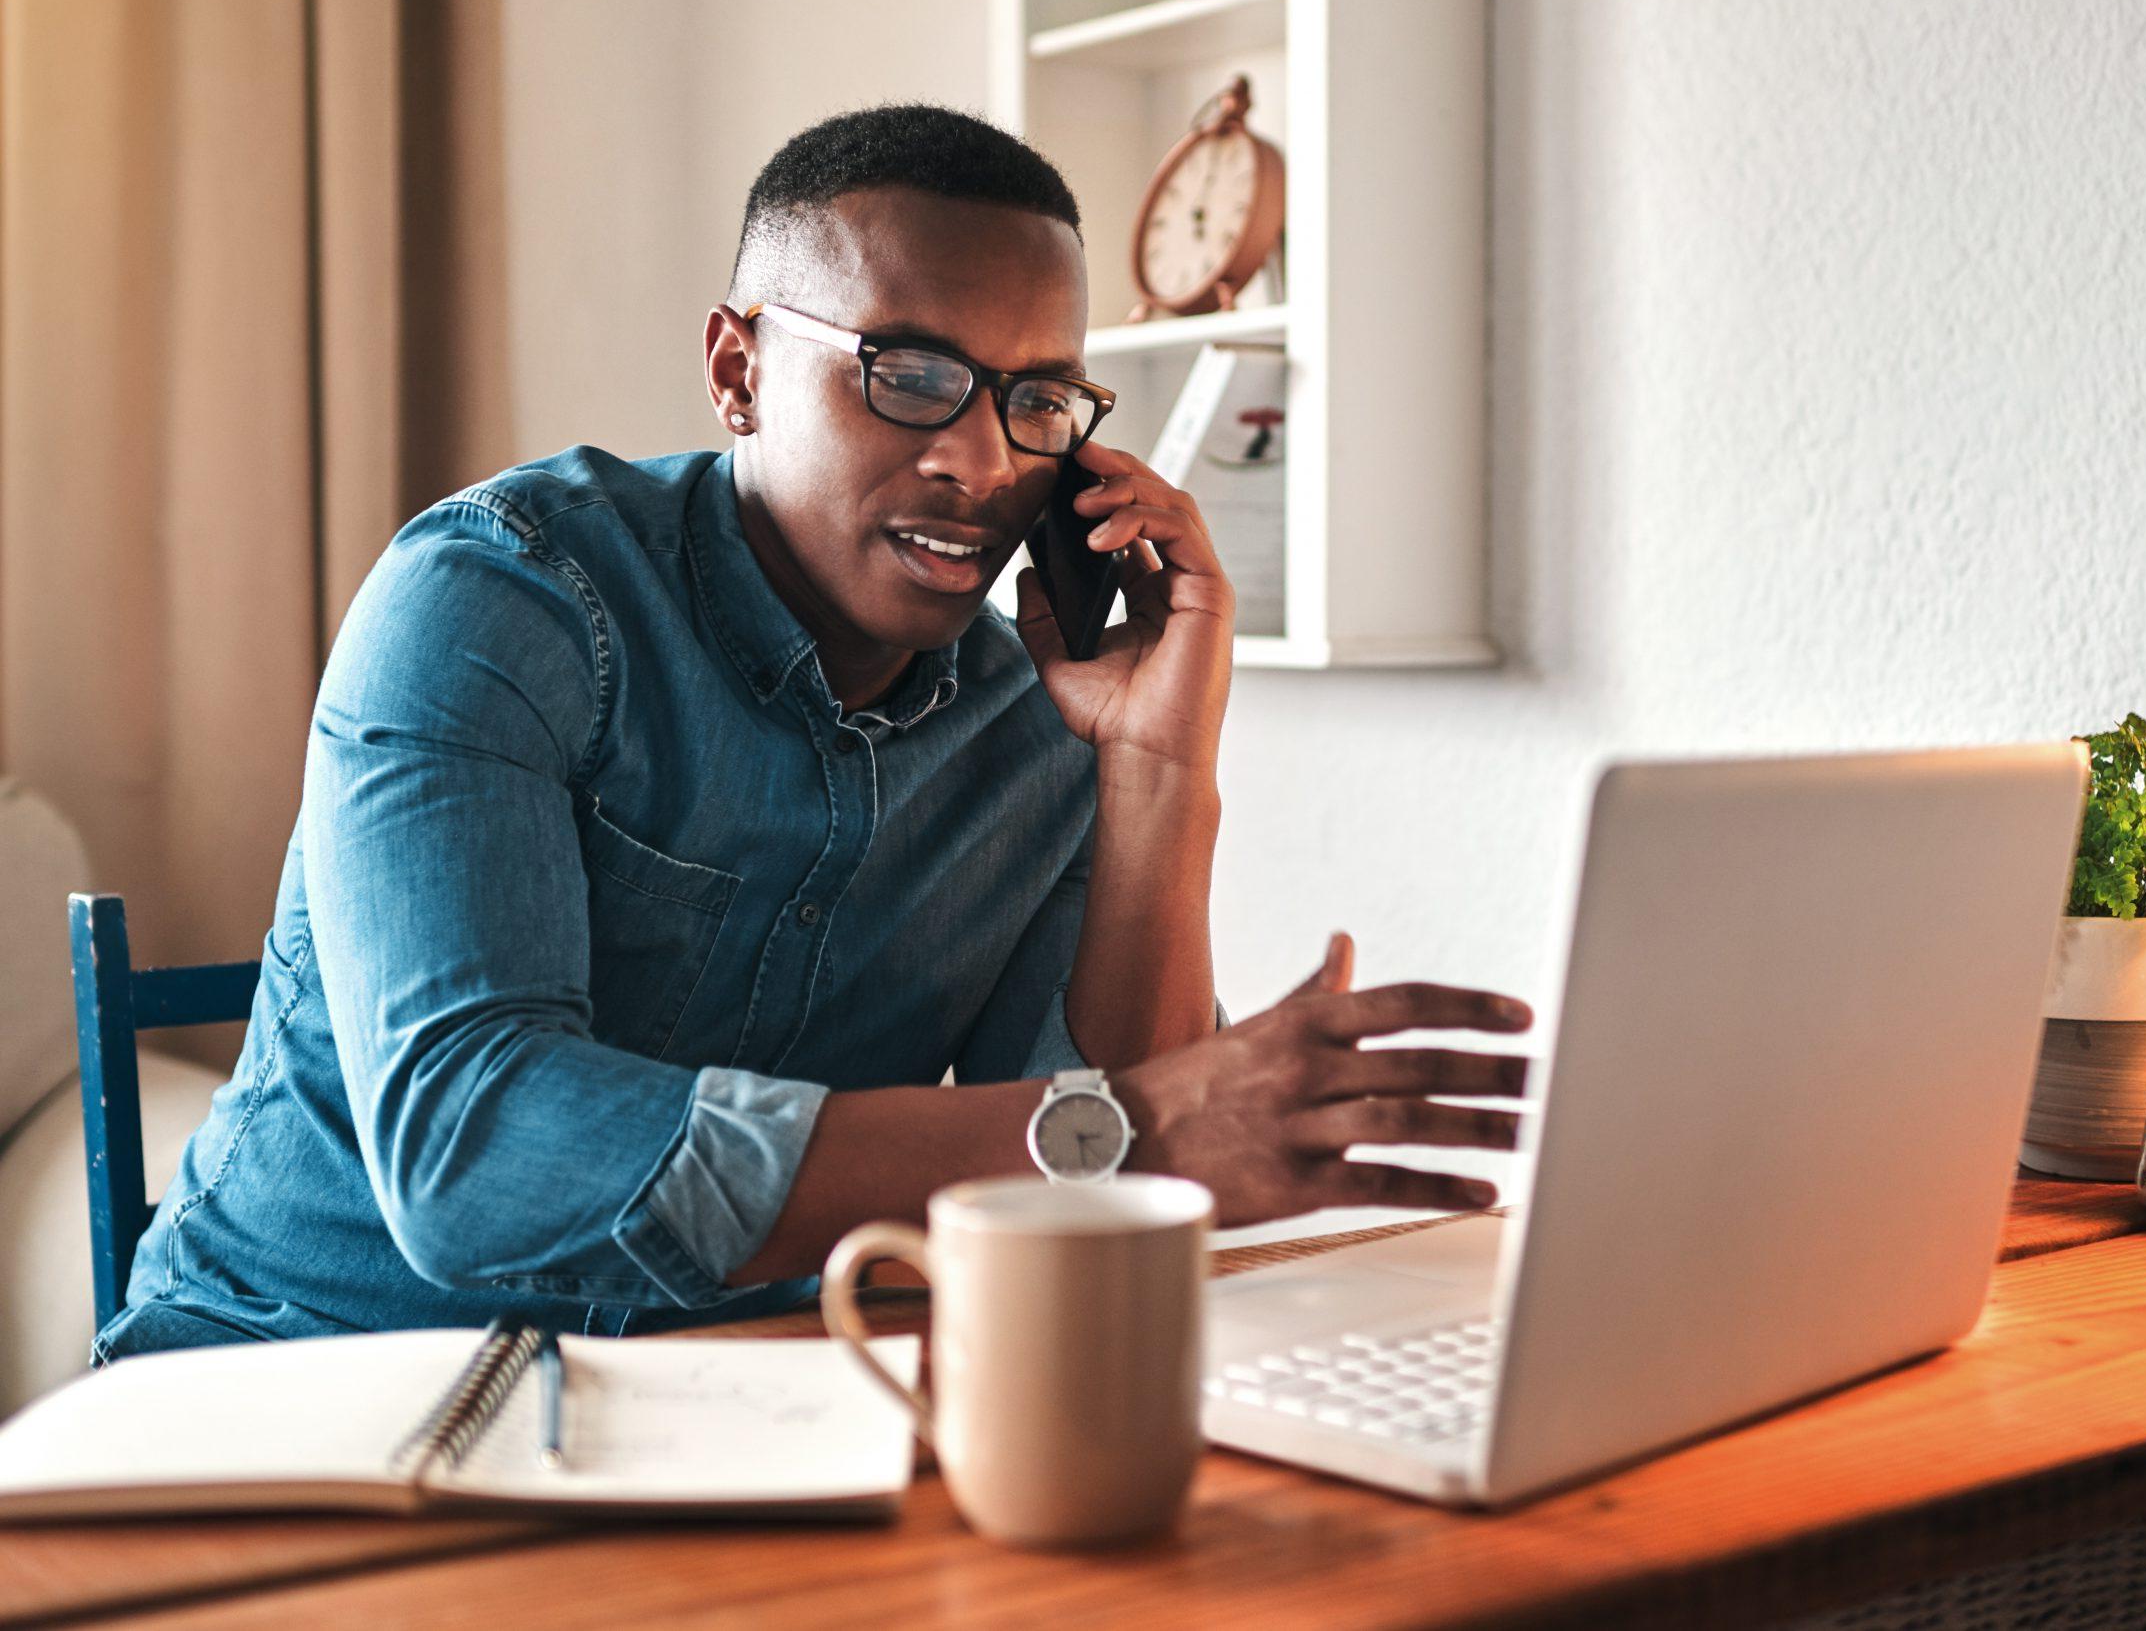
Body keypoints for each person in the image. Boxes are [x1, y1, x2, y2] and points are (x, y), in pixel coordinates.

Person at [91, 104, 1530, 1359]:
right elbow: (475, 1154)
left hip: (745, 1398)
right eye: (907, 373)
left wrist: (1161, 775)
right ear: (737, 371)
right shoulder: (499, 598)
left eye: (1038, 401)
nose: (979, 460)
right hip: (303, 1380)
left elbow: (1117, 1193)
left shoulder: (1043, 714)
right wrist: (1132, 1137)